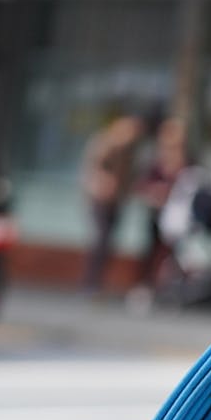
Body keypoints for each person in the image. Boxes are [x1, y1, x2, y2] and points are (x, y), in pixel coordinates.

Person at [128, 116, 190, 309]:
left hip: (178, 218)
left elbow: (194, 183)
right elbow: (141, 184)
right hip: (156, 213)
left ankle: (171, 292)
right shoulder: (156, 162)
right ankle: (145, 288)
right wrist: (155, 192)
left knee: (174, 256)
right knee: (151, 252)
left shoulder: (186, 161)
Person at [79, 114, 144, 292]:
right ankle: (90, 281)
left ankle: (98, 280)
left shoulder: (130, 151)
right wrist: (103, 184)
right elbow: (95, 168)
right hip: (99, 198)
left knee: (108, 241)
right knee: (101, 239)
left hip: (117, 199)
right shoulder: (106, 144)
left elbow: (131, 174)